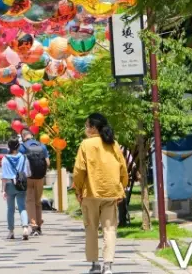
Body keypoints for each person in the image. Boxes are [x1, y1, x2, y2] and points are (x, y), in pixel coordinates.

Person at [73, 113, 128, 274]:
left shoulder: (85, 144)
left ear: (93, 128)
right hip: (111, 192)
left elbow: (79, 170)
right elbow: (123, 168)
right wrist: (121, 188)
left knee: (91, 228)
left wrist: (78, 189)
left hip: (90, 192)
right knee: (109, 228)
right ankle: (108, 265)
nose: (85, 129)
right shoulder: (113, 144)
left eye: (86, 125)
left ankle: (95, 264)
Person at [19, 128, 50, 236]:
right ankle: (39, 226)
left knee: (30, 201)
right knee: (38, 202)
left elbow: (20, 164)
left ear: (23, 137)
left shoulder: (22, 147)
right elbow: (48, 162)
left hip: (28, 177)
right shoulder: (42, 146)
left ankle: (34, 225)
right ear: (32, 135)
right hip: (40, 178)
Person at [0, 138, 31, 240]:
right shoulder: (23, 157)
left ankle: (11, 231)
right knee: (22, 207)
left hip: (9, 185)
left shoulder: (5, 159)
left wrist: (3, 190)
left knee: (10, 209)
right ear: (18, 146)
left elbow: (4, 176)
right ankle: (25, 228)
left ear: (8, 147)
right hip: (21, 185)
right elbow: (27, 172)